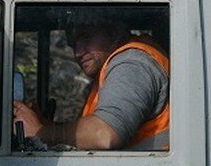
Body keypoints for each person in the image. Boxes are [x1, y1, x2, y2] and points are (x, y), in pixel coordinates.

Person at [12, 19, 169, 151]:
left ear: (114, 31)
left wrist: (42, 132)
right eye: (73, 44)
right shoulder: (111, 68)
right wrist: (46, 126)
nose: (78, 53)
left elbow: (105, 134)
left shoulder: (130, 65)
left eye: (86, 37)